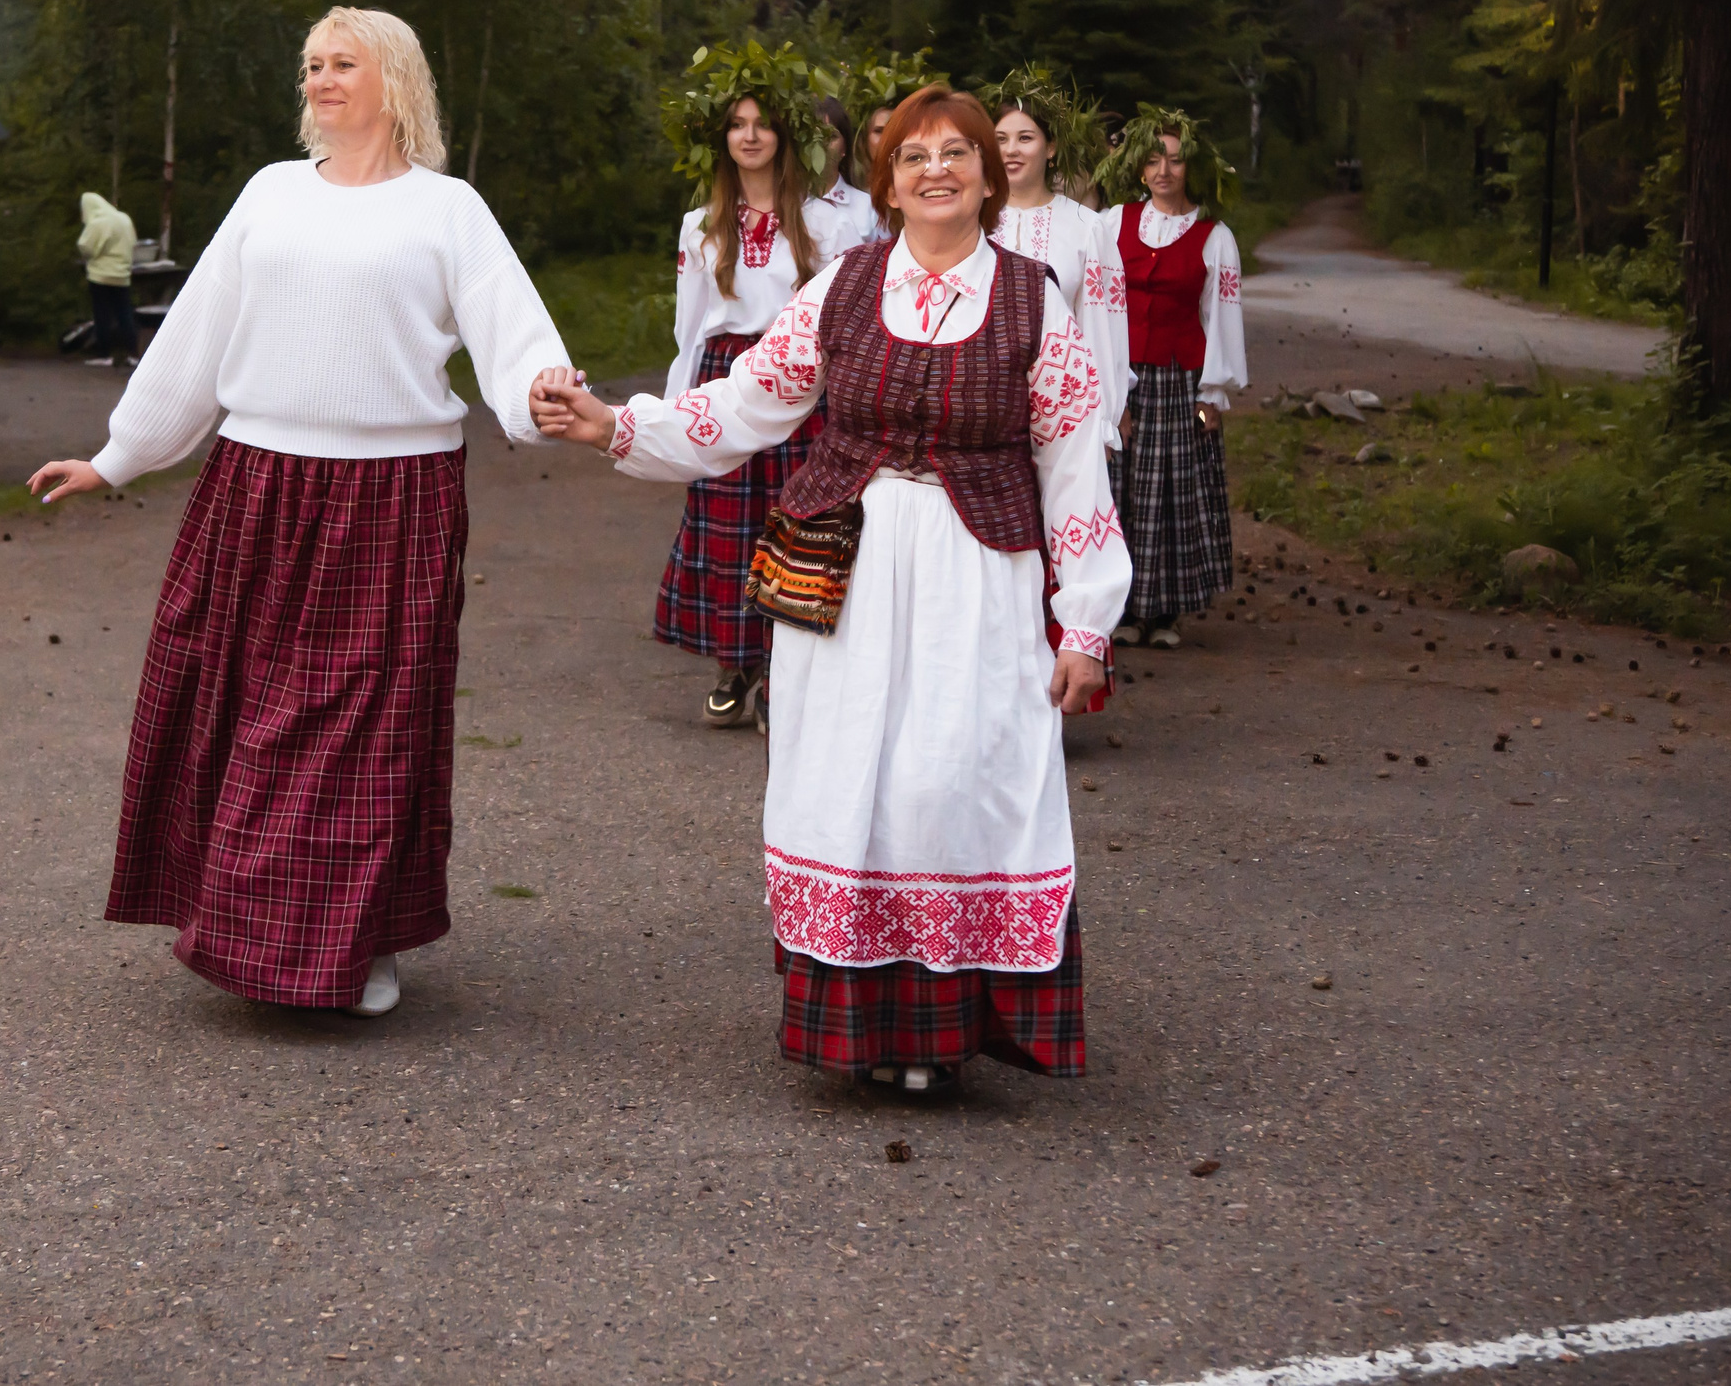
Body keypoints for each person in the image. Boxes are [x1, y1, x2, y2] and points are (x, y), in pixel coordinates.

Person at [531, 84, 1126, 1092]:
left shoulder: (1034, 301)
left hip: (976, 577)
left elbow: (1074, 469)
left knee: (950, 782)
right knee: (849, 781)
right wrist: (615, 425)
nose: (935, 170)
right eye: (913, 157)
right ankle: (863, 1032)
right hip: (844, 572)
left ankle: (941, 1033)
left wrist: (1086, 624)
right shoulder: (841, 289)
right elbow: (745, 403)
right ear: (887, 186)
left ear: (988, 176)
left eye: (956, 154)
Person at [26, 6, 573, 1019]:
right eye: (312, 65)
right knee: (239, 710)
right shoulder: (270, 195)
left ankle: (355, 940)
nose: (320, 80)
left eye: (342, 64)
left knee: (362, 732)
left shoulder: (446, 211)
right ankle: (247, 928)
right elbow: (197, 335)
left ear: (393, 80)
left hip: (392, 494)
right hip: (259, 480)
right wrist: (117, 457)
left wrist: (544, 395)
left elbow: (516, 336)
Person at [660, 77, 855, 728]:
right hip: (724, 378)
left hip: (800, 379)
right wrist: (676, 417)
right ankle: (734, 659)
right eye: (737, 123)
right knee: (728, 527)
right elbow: (691, 329)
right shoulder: (701, 225)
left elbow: (842, 322)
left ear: (783, 135)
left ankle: (780, 669)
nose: (748, 134)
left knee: (794, 526)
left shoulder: (828, 223)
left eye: (761, 123)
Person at [1095, 106, 1248, 648]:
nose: (1164, 170)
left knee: (1171, 491)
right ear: (1139, 168)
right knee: (1121, 491)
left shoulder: (1213, 236)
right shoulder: (1112, 223)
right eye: (1154, 159)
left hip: (1181, 381)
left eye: (1176, 161)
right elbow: (1100, 308)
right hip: (1124, 376)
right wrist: (1110, 390)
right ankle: (1123, 608)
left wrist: (1213, 393)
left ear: (1191, 169)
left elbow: (1220, 316)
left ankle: (1164, 612)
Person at [988, 65, 1132, 449]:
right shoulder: (969, 221)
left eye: (1025, 137)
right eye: (1000, 138)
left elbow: (1104, 330)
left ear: (1050, 148)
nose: (1011, 149)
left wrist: (1105, 422)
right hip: (982, 411)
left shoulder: (1088, 228)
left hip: (1065, 413)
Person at [808, 97, 881, 249]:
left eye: (831, 136)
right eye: (814, 135)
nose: (822, 143)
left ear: (844, 148)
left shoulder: (867, 206)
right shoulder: (787, 203)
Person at [76, 192, 138, 367]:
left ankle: (104, 354)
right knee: (125, 314)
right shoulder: (124, 219)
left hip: (100, 275)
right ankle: (133, 354)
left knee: (102, 315)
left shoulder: (97, 223)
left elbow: (86, 247)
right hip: (122, 275)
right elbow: (133, 243)